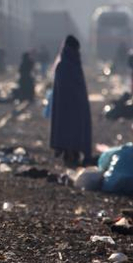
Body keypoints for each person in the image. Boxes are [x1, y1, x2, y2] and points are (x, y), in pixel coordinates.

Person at [49, 35, 92, 166]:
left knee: (67, 129)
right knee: (75, 129)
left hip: (65, 107)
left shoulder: (63, 62)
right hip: (74, 105)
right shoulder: (71, 62)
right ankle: (72, 152)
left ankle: (70, 152)